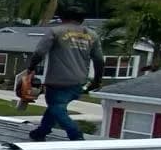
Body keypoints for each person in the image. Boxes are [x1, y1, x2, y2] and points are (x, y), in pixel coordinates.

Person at [25, 10, 104, 141]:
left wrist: (31, 68)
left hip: (58, 80)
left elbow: (39, 52)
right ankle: (41, 132)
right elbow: (99, 60)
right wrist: (97, 80)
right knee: (56, 106)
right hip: (79, 80)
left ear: (63, 18)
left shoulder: (56, 31)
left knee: (57, 107)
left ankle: (75, 134)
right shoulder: (92, 35)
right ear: (82, 20)